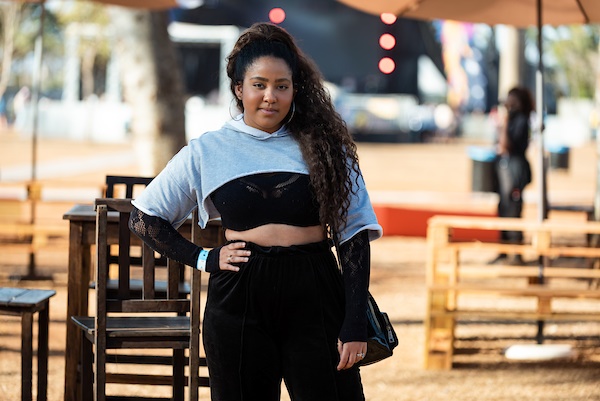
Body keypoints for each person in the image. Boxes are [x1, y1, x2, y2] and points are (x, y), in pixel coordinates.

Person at [129, 22, 382, 401]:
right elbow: (144, 217)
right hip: (239, 295)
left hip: (315, 289)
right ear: (238, 89)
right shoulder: (209, 150)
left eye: (282, 85)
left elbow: (354, 236)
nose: (271, 96)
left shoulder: (329, 149)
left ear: (296, 89)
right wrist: (203, 258)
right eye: (259, 84)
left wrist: (355, 322)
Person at [490, 86, 533, 264]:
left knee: (513, 208)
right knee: (503, 207)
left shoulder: (521, 120)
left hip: (515, 169)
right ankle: (503, 250)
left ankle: (516, 252)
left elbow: (507, 145)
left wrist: (505, 121)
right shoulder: (511, 119)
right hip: (505, 167)